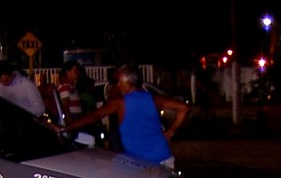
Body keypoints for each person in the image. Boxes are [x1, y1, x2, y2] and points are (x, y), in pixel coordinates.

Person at [55, 64, 190, 168]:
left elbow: (94, 116)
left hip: (139, 163)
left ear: (129, 84)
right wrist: (171, 131)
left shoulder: (120, 103)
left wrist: (65, 128)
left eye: (120, 81)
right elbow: (184, 107)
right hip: (163, 158)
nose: (118, 85)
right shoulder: (154, 99)